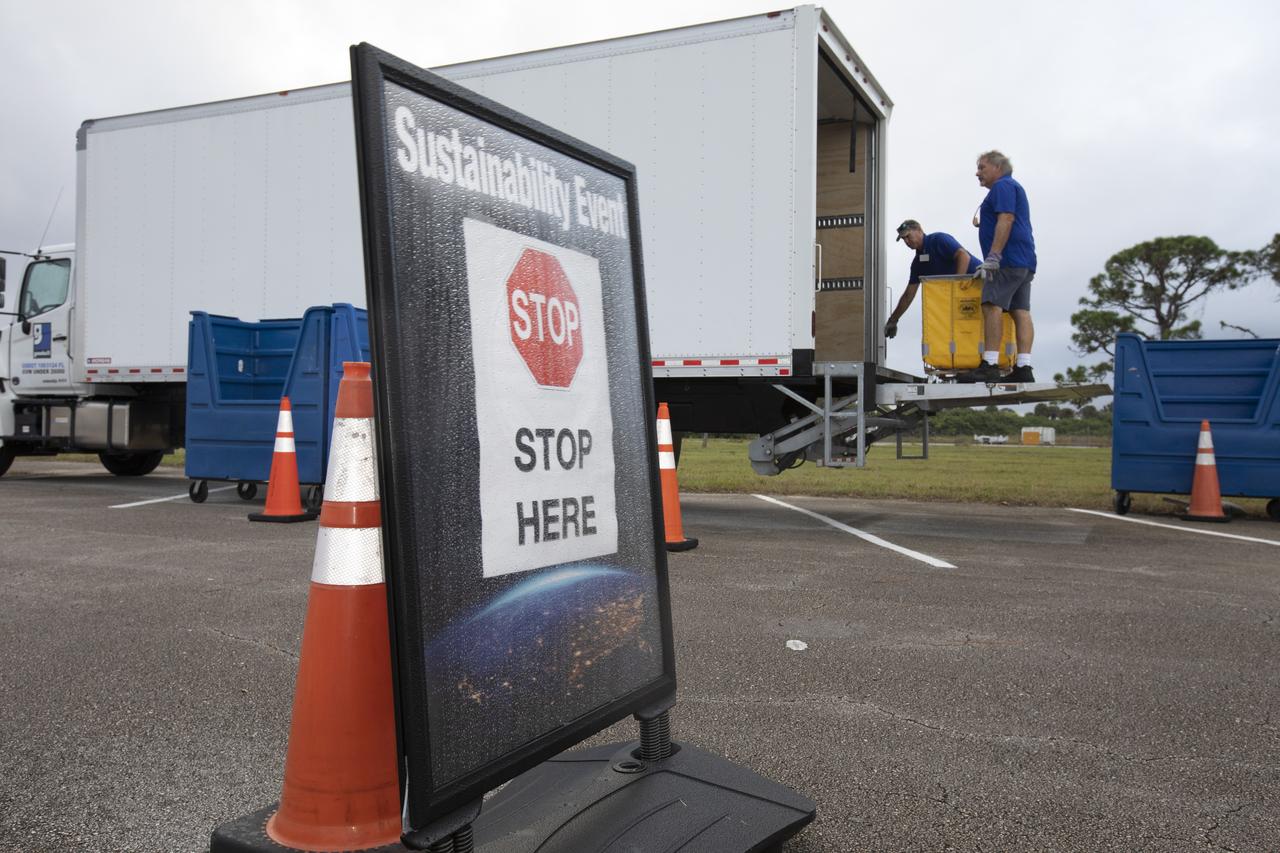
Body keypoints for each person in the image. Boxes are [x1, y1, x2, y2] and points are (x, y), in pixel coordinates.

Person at [956, 150, 1036, 383]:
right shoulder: (1011, 187)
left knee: (991, 305)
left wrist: (993, 257)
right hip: (1024, 261)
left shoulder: (1002, 187)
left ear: (997, 168)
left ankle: (989, 364)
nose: (977, 173)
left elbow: (1006, 219)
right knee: (1020, 311)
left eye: (982, 168)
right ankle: (1024, 368)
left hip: (1007, 261)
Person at [884, 220, 981, 340]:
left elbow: (963, 256)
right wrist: (893, 320)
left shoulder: (938, 240)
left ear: (919, 231)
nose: (907, 241)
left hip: (980, 284)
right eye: (904, 239)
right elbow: (909, 294)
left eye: (908, 236)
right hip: (963, 298)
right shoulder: (918, 263)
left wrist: (956, 287)